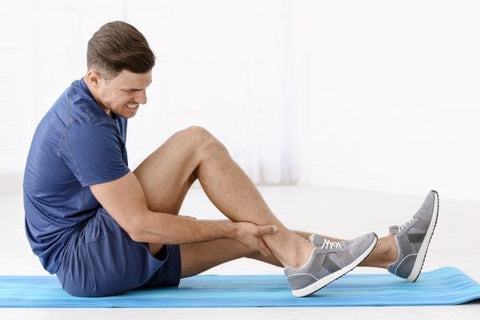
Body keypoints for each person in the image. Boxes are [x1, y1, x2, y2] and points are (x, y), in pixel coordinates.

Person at [23, 21, 439, 298]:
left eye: (146, 87)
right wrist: (230, 227)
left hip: (104, 253)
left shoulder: (104, 103)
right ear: (94, 78)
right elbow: (139, 225)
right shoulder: (84, 127)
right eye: (131, 90)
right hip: (87, 260)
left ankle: (391, 254)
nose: (142, 99)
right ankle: (301, 258)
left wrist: (240, 232)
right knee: (196, 142)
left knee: (262, 235)